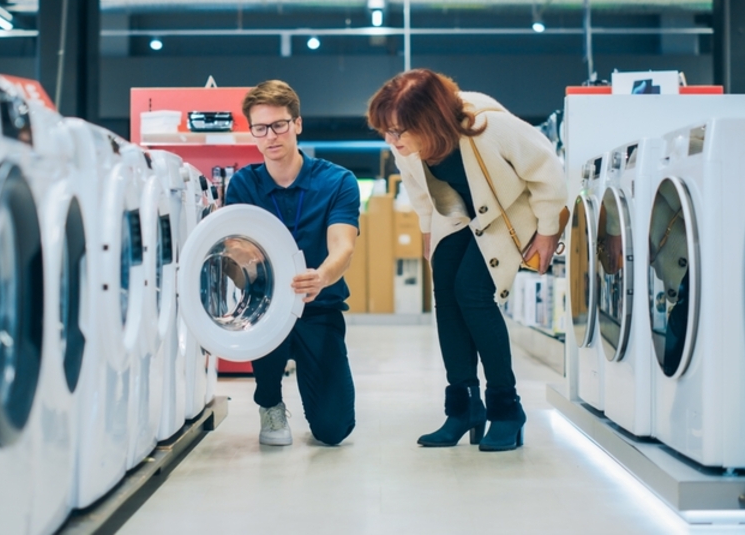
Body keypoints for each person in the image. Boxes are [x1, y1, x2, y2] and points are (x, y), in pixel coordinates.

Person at [366, 69, 567, 451]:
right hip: (458, 215)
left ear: (429, 121)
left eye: (398, 132)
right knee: (445, 291)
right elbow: (419, 191)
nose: (391, 141)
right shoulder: (407, 144)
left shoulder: (489, 126)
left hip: (511, 212)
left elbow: (548, 171)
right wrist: (428, 237)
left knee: (471, 292)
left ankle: (507, 411)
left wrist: (546, 232)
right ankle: (463, 409)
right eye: (386, 131)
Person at [222, 80, 360, 447]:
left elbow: (343, 247)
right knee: (268, 320)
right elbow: (234, 254)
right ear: (251, 131)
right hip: (266, 309)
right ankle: (269, 401)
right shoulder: (243, 185)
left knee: (334, 431)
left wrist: (321, 276)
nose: (271, 136)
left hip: (318, 305)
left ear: (297, 123)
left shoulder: (338, 182)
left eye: (280, 125)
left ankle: (316, 392)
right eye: (260, 128)